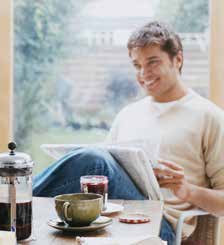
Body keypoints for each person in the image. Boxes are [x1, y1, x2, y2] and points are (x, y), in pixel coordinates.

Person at [33, 21, 224, 244]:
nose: (143, 73)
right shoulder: (128, 114)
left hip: (161, 228)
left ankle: (6, 203)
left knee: (95, 161)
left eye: (153, 62)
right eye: (136, 65)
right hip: (111, 221)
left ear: (178, 59)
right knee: (94, 163)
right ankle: (11, 206)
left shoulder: (208, 116)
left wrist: (186, 190)